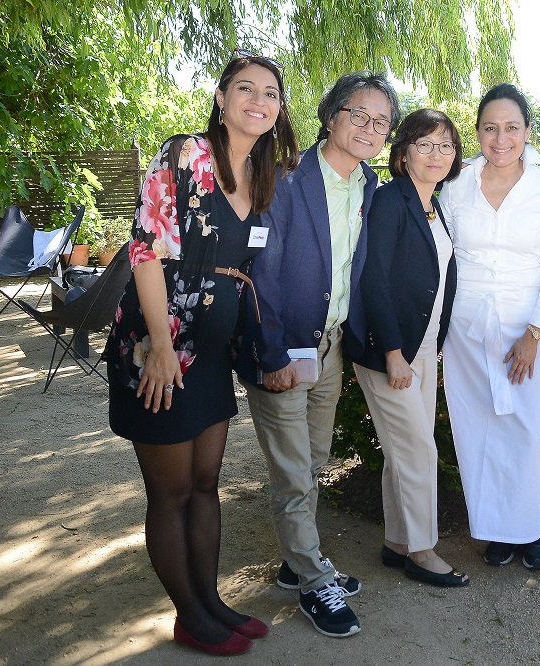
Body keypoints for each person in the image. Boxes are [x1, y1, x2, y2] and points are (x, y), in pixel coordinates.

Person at [106, 51, 298, 655]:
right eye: (246, 89)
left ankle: (210, 602)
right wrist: (161, 348)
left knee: (205, 484)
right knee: (170, 491)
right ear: (221, 98)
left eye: (270, 93)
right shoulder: (185, 155)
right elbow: (144, 252)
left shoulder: (265, 171)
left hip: (213, 354)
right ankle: (188, 614)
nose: (258, 101)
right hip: (158, 347)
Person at [236, 72, 401, 638]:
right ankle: (313, 579)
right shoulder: (284, 180)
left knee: (314, 458)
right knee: (292, 471)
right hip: (283, 347)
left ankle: (293, 557)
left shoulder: (369, 186)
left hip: (329, 347)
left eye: (381, 122)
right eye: (359, 114)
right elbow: (260, 274)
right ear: (331, 117)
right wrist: (272, 351)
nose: (370, 128)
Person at [440, 83, 540, 569]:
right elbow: (444, 256)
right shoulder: (456, 185)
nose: (500, 138)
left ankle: (527, 530)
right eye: (490, 128)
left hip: (524, 329)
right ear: (477, 132)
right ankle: (494, 530)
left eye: (511, 128)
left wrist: (535, 334)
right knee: (477, 428)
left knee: (526, 427)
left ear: (527, 132)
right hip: (467, 329)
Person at [351, 109, 468, 588]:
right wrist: (393, 353)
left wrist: (428, 349)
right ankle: (422, 550)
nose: (437, 154)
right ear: (403, 153)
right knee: (418, 449)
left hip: (421, 345)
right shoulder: (389, 200)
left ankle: (397, 541)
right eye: (425, 144)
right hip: (390, 350)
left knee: (405, 448)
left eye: (445, 145)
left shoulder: (433, 205)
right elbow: (373, 280)